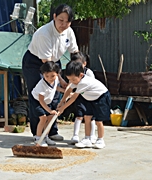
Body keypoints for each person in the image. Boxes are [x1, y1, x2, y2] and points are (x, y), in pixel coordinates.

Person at [22, 4, 78, 141]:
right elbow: (46, 63)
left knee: (54, 96)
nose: (64, 24)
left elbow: (75, 53)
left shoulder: (69, 31)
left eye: (67, 21)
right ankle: (38, 134)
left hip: (54, 62)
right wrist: (62, 80)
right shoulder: (44, 33)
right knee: (39, 95)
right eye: (60, 20)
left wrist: (77, 74)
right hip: (36, 63)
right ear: (54, 17)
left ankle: (51, 131)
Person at [57, 61, 111, 149]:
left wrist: (62, 108)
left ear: (81, 75)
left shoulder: (83, 83)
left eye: (73, 79)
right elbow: (69, 90)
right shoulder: (75, 81)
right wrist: (62, 101)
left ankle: (100, 140)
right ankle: (87, 139)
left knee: (98, 121)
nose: (71, 82)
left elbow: (73, 98)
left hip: (101, 97)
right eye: (69, 79)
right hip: (90, 98)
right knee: (87, 117)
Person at [32, 61, 64, 146]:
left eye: (52, 76)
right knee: (43, 118)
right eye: (47, 76)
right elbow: (41, 100)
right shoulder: (41, 85)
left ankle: (45, 136)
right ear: (42, 74)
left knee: (50, 118)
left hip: (47, 101)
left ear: (57, 74)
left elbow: (56, 88)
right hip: (37, 102)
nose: (50, 78)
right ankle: (38, 138)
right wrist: (49, 110)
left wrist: (65, 91)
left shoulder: (56, 79)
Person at [69, 52, 97, 144]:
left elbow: (92, 84)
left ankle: (92, 135)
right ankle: (75, 135)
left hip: (89, 97)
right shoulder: (73, 73)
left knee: (91, 117)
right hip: (79, 97)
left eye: (78, 63)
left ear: (84, 63)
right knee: (79, 115)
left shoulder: (88, 73)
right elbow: (71, 86)